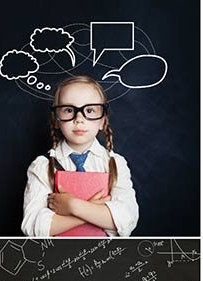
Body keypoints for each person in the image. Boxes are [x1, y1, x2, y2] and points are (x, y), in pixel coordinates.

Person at [21, 77, 138, 238]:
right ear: (56, 119)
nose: (79, 119)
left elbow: (126, 220)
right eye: (69, 110)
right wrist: (93, 210)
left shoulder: (115, 164)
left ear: (102, 121)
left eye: (90, 111)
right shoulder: (42, 166)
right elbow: (34, 227)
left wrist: (73, 206)